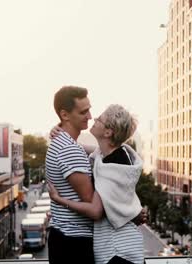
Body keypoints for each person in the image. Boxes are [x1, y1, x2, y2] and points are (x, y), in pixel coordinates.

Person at [48, 104, 145, 264]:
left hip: (119, 252)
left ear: (108, 132)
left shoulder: (114, 166)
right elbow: (76, 148)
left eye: (100, 119)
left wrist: (59, 201)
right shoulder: (111, 153)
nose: (94, 119)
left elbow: (95, 211)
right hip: (122, 249)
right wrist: (59, 132)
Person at [45, 86, 96, 263]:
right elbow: (91, 204)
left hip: (64, 238)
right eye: (84, 112)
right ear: (65, 115)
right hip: (75, 243)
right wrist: (132, 213)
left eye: (89, 109)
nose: (90, 116)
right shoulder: (69, 150)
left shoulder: (61, 143)